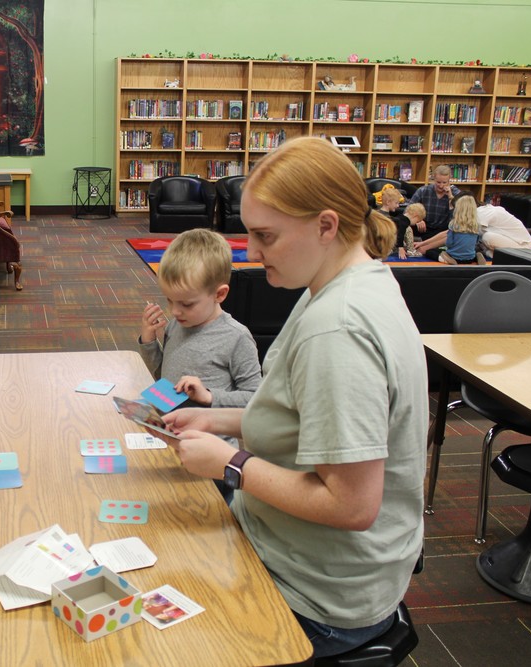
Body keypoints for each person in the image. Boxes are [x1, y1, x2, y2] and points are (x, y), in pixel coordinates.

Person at [162, 136, 427, 659]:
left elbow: (351, 504)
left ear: (326, 226)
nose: (251, 254)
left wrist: (230, 464)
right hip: (320, 562)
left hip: (317, 592)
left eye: (265, 236)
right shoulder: (353, 282)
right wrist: (219, 422)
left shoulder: (338, 328)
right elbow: (309, 416)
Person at [138, 228, 261, 408]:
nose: (175, 311)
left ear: (219, 294)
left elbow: (256, 399)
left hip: (209, 434)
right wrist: (149, 341)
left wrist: (209, 396)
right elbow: (162, 379)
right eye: (170, 301)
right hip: (171, 427)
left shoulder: (236, 337)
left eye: (186, 304)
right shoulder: (176, 325)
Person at [415, 194, 486, 264]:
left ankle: (447, 259)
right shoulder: (476, 225)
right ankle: (476, 258)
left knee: (430, 252)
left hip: (454, 257)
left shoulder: (454, 225)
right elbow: (476, 242)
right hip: (470, 258)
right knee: (470, 253)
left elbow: (449, 243)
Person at [408, 165, 461, 237]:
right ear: (433, 180)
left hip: (444, 230)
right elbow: (408, 210)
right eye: (438, 182)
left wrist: (450, 197)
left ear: (449, 181)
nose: (441, 186)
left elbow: (460, 217)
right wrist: (417, 220)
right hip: (424, 228)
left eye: (444, 182)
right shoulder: (423, 190)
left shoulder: (456, 193)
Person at [378, 188, 420, 260]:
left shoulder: (377, 213)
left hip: (380, 244)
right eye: (396, 203)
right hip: (384, 245)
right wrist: (400, 247)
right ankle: (411, 250)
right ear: (388, 202)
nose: (398, 206)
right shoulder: (387, 218)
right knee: (407, 228)